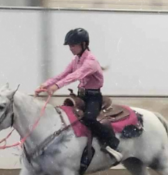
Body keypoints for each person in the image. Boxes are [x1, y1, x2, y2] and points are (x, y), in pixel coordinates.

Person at [35, 27, 121, 161]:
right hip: (81, 96)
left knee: (89, 119)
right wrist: (45, 85)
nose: (70, 48)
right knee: (64, 116)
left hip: (93, 97)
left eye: (73, 45)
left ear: (84, 44)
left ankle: (111, 142)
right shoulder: (76, 60)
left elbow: (76, 75)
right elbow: (63, 75)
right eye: (69, 45)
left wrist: (56, 87)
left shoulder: (90, 61)